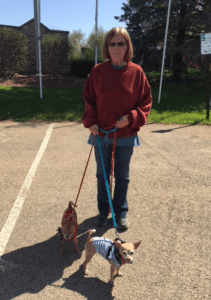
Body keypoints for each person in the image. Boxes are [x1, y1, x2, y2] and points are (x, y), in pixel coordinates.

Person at [81, 27, 153, 230]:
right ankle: (103, 212)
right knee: (102, 175)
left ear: (127, 46)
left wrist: (131, 118)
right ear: (107, 47)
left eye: (121, 43)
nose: (116, 48)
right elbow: (89, 99)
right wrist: (91, 121)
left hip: (125, 135)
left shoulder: (136, 72)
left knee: (122, 176)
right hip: (101, 134)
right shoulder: (98, 72)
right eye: (112, 44)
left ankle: (120, 213)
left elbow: (146, 101)